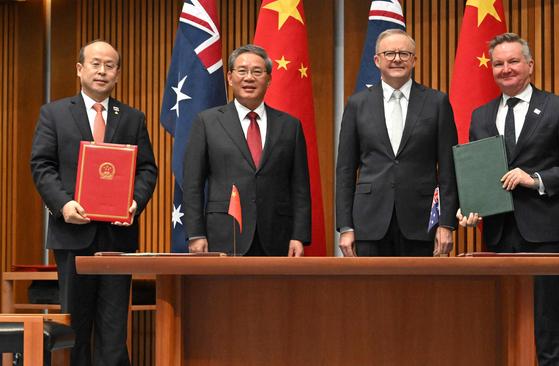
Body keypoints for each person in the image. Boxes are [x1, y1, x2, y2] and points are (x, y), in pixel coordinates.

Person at [457, 33, 559, 366]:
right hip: (499, 233)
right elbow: (480, 171)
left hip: (545, 233)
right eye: (499, 63)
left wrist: (535, 180)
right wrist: (470, 208)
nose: (506, 69)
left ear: (529, 65)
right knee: (499, 319)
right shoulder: (481, 115)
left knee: (546, 320)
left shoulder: (557, 107)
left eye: (513, 61)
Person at [30, 40, 158, 365]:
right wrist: (63, 205)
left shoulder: (132, 117)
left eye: (110, 65)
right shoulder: (54, 113)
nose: (102, 71)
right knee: (75, 326)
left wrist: (135, 202)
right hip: (72, 235)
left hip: (118, 237)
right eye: (96, 64)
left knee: (114, 330)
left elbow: (147, 169)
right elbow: (42, 166)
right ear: (79, 69)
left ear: (118, 73)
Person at [336, 29, 459, 257]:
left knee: (419, 292)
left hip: (422, 222)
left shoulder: (437, 102)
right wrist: (345, 227)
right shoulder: (357, 104)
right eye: (389, 53)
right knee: (370, 293)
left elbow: (449, 170)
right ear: (377, 60)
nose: (396, 59)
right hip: (369, 223)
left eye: (404, 53)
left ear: (414, 60)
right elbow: (345, 170)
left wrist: (447, 223)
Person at [183, 44, 310, 256]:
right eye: (242, 71)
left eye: (257, 72)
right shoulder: (207, 122)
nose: (249, 78)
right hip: (223, 233)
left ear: (269, 79)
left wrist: (299, 236)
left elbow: (300, 187)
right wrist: (196, 233)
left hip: (277, 235)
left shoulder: (290, 126)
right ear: (230, 77)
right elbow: (192, 184)